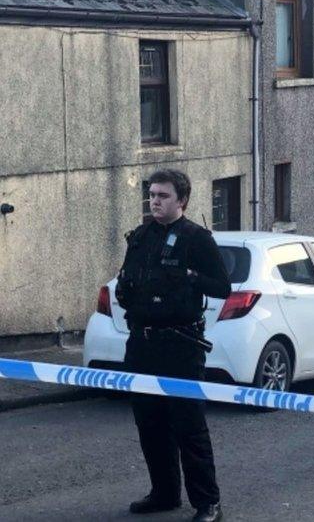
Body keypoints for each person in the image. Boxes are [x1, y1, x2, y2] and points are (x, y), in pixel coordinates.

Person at [115, 169, 230, 522]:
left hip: (180, 345)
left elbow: (222, 287)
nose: (155, 201)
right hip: (143, 343)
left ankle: (208, 503)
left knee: (188, 426)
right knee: (150, 424)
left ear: (181, 200)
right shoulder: (141, 237)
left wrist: (191, 277)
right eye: (152, 195)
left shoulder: (197, 238)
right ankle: (164, 493)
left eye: (163, 196)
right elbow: (127, 278)